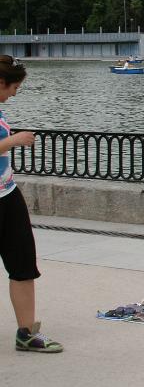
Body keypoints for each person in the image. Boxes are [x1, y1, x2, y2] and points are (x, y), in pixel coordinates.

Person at [0, 56, 63, 353]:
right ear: (1, 83)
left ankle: (26, 333)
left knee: (23, 264)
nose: (14, 93)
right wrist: (14, 141)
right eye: (14, 88)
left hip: (7, 195)